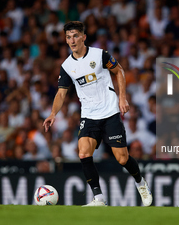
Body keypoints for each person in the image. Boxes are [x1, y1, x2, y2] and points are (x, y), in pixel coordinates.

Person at [43, 21, 152, 207]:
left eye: (75, 35)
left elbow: (119, 71)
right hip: (89, 115)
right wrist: (53, 113)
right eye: (68, 37)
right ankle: (99, 198)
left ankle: (141, 183)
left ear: (84, 37)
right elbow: (61, 93)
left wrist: (122, 98)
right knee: (84, 153)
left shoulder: (99, 55)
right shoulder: (67, 66)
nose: (72, 40)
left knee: (122, 158)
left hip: (109, 112)